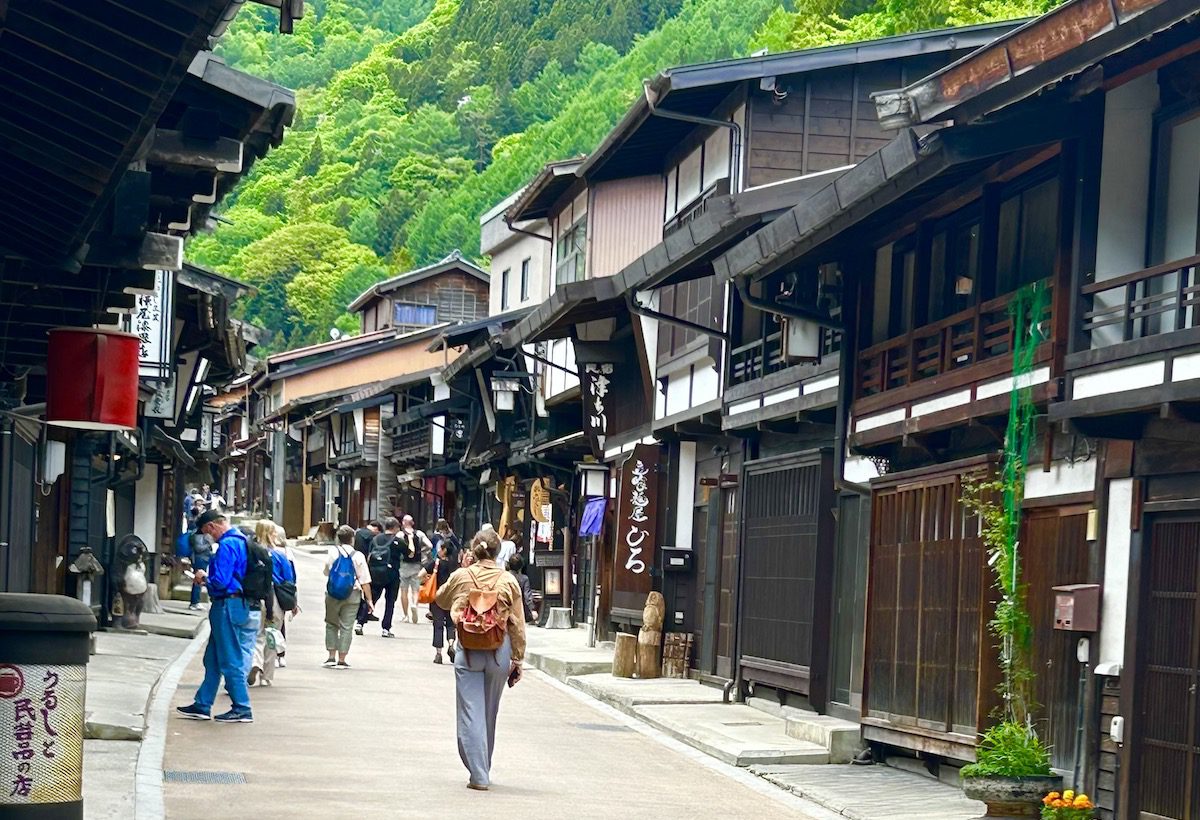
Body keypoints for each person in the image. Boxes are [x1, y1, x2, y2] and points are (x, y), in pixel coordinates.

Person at [435, 528, 526, 790]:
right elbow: (517, 623)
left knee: (470, 711)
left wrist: (462, 573)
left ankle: (478, 773)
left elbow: (440, 599)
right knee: (489, 711)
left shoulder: (463, 575)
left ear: (473, 551)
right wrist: (518, 658)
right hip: (500, 650)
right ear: (499, 552)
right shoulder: (508, 580)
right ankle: (483, 766)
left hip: (469, 648)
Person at [176, 510, 257, 723]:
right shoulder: (242, 540)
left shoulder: (228, 545)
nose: (207, 537)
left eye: (206, 532)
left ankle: (242, 706)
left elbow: (220, 580)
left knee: (230, 657)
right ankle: (202, 704)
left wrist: (203, 577)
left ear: (212, 526)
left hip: (227, 604)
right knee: (213, 658)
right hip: (236, 603)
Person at [249, 520, 296, 687]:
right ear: (271, 533)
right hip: (275, 597)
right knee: (272, 634)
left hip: (254, 596)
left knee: (255, 633)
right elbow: (289, 580)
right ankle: (266, 676)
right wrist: (293, 602)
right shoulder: (280, 555)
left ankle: (255, 661)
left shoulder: (251, 552)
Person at [323, 525, 373, 669]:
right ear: (352, 539)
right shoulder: (358, 556)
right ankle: (342, 659)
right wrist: (369, 600)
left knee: (331, 623)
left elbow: (326, 571)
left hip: (333, 593)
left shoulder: (332, 552)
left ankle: (331, 656)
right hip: (353, 593)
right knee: (347, 626)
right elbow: (365, 580)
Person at [357, 517, 400, 637]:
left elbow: (370, 554)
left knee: (371, 598)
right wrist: (411, 539)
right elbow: (410, 553)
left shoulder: (375, 539)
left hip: (376, 573)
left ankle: (360, 622)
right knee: (390, 601)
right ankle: (386, 628)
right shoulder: (397, 540)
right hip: (392, 575)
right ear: (395, 528)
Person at [422, 539, 458, 664]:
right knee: (450, 624)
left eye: (440, 548)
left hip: (437, 596)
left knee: (438, 625)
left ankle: (438, 654)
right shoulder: (455, 566)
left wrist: (427, 578)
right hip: (451, 597)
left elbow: (420, 574)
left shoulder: (436, 563)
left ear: (444, 551)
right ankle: (451, 644)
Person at [397, 514, 432, 624]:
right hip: (416, 564)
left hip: (404, 565)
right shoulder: (419, 534)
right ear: (412, 523)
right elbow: (429, 545)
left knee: (403, 590)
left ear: (403, 523)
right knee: (415, 589)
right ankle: (414, 604)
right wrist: (422, 552)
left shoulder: (400, 534)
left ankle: (405, 615)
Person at [187, 526, 214, 611]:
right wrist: (208, 544)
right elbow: (198, 548)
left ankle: (195, 601)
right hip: (200, 559)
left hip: (203, 559)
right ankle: (195, 602)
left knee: (199, 580)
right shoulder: (198, 536)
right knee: (199, 580)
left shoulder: (199, 535)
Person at [507, 554, 538, 624]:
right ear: (521, 566)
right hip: (519, 611)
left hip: (506, 609)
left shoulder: (504, 576)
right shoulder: (524, 579)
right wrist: (532, 609)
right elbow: (527, 596)